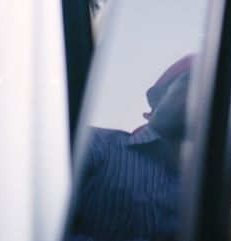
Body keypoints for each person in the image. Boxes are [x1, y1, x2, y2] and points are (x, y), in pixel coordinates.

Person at [68, 56, 192, 241]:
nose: (208, 98)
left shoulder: (212, 179)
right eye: (193, 84)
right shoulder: (96, 144)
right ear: (155, 97)